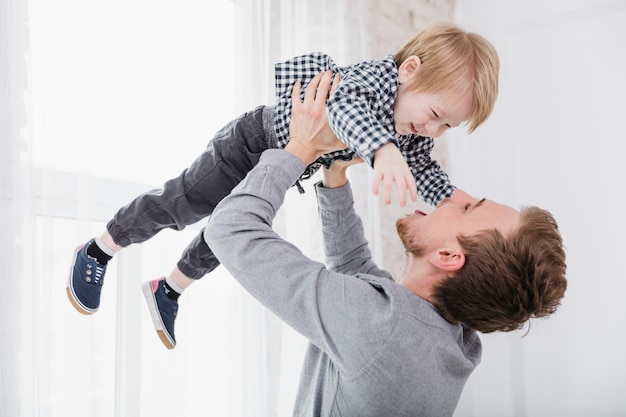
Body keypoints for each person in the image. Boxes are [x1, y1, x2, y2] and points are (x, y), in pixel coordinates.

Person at [67, 20, 500, 349]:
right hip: (251, 143)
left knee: (229, 236)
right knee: (184, 203)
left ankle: (170, 288)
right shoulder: (375, 79)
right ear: (408, 71)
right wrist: (383, 150)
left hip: (288, 165)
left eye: (448, 126)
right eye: (436, 114)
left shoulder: (411, 129)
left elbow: (424, 167)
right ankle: (100, 247)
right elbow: (344, 108)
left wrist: (454, 200)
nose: (433, 129)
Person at [204, 71, 567, 416]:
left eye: (470, 207)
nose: (459, 194)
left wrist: (299, 145)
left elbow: (230, 229)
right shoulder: (451, 340)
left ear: (448, 256)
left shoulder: (383, 331)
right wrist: (335, 174)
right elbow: (359, 279)